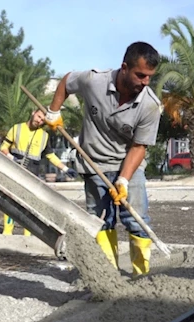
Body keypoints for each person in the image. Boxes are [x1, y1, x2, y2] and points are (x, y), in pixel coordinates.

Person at [44, 41, 162, 276]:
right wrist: (54, 111)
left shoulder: (149, 105)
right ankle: (108, 276)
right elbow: (67, 81)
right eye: (141, 75)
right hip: (93, 164)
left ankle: (141, 275)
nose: (145, 82)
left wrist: (124, 180)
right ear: (125, 67)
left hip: (128, 165)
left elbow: (139, 147)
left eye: (149, 77)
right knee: (99, 222)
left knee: (137, 220)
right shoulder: (94, 81)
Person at [0, 109, 78, 235]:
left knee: (30, 205)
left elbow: (50, 156)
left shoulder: (44, 136)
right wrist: (11, 158)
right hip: (15, 171)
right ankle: (7, 233)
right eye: (38, 116)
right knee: (11, 202)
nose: (39, 120)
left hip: (32, 174)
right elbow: (3, 147)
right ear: (33, 113)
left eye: (42, 120)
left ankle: (28, 236)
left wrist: (65, 169)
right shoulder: (16, 128)